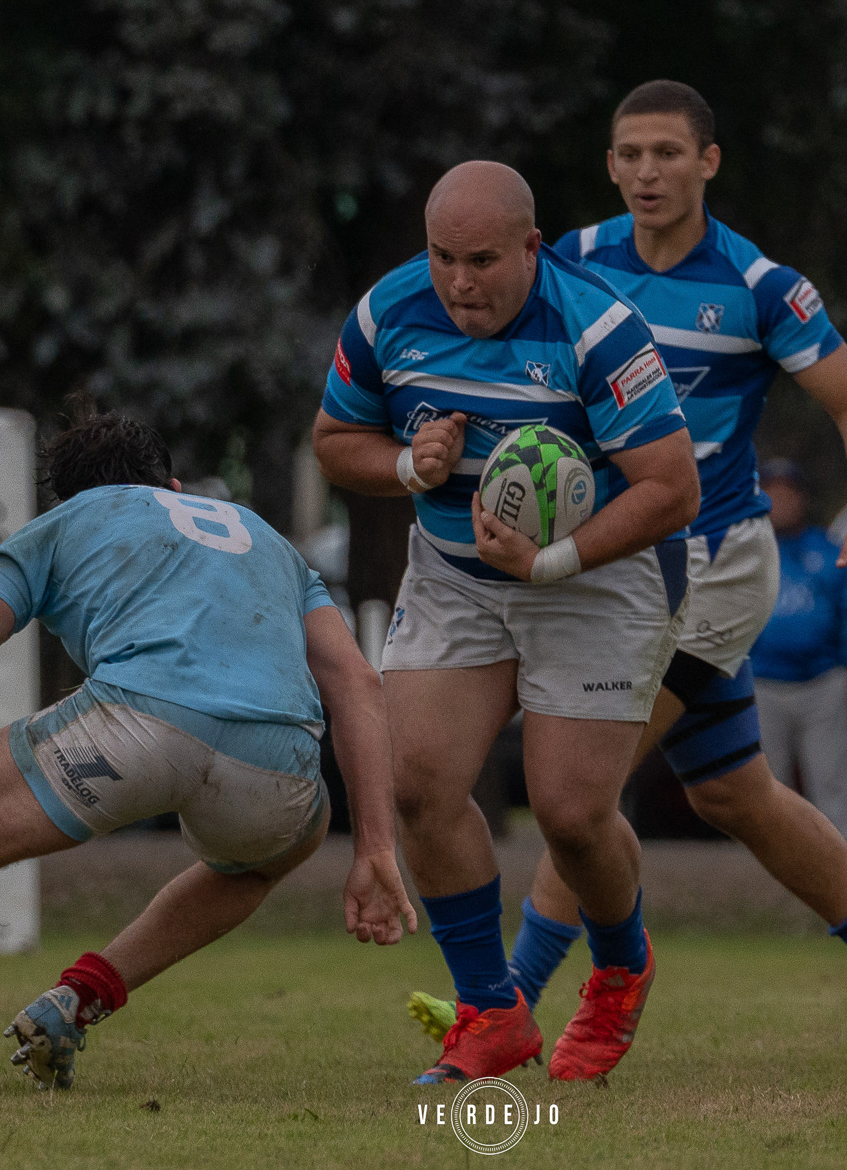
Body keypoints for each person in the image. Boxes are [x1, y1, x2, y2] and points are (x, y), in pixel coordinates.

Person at [407, 81, 847, 1066]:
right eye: (629, 154)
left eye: (668, 153)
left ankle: (509, 1002)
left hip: (708, 570)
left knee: (586, 786)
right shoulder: (567, 259)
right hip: (618, 568)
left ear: (708, 162)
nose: (647, 172)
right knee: (731, 793)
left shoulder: (759, 287)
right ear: (611, 166)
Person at [0, 403, 416, 1099]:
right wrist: (375, 847)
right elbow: (357, 684)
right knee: (266, 860)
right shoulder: (268, 540)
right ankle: (78, 1000)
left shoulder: (62, 526)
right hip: (275, 766)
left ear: (71, 499)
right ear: (176, 487)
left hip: (134, 729)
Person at [312, 160, 700, 1084]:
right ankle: (492, 1011)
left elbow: (672, 487)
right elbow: (334, 442)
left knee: (570, 814)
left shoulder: (598, 328)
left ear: (532, 246)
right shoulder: (386, 313)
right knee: (418, 788)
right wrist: (411, 465)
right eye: (443, 257)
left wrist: (552, 560)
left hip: (595, 577)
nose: (459, 282)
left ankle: (618, 970)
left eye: (482, 260)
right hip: (455, 574)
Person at [750, 459, 847, 848]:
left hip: (823, 680)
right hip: (761, 681)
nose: (781, 500)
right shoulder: (744, 548)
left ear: (803, 499)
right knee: (764, 784)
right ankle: (768, 862)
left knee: (835, 779)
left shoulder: (829, 548)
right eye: (773, 490)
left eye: (789, 491)